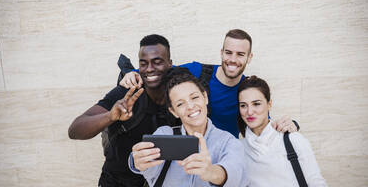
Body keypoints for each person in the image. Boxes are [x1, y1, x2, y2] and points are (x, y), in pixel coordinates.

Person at [68, 34, 178, 187]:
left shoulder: (179, 93)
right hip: (117, 184)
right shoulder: (126, 92)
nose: (149, 69)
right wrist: (110, 116)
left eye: (157, 62)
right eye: (143, 63)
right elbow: (75, 129)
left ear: (170, 64)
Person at [120, 29, 298, 138]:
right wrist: (130, 72)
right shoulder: (198, 72)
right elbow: (161, 71)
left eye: (240, 54)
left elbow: (262, 125)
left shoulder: (247, 90)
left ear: (249, 57)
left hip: (224, 160)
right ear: (221, 53)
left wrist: (292, 125)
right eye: (228, 52)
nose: (233, 60)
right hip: (189, 154)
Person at [130, 67, 248, 187]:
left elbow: (236, 176)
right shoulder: (164, 135)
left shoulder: (228, 142)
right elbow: (148, 168)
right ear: (173, 111)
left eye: (194, 97)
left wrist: (210, 171)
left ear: (205, 97)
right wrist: (137, 160)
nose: (190, 106)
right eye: (180, 104)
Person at [234, 76, 330, 187]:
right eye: (243, 105)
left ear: (269, 104)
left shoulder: (292, 139)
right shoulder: (239, 149)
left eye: (256, 104)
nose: (249, 111)